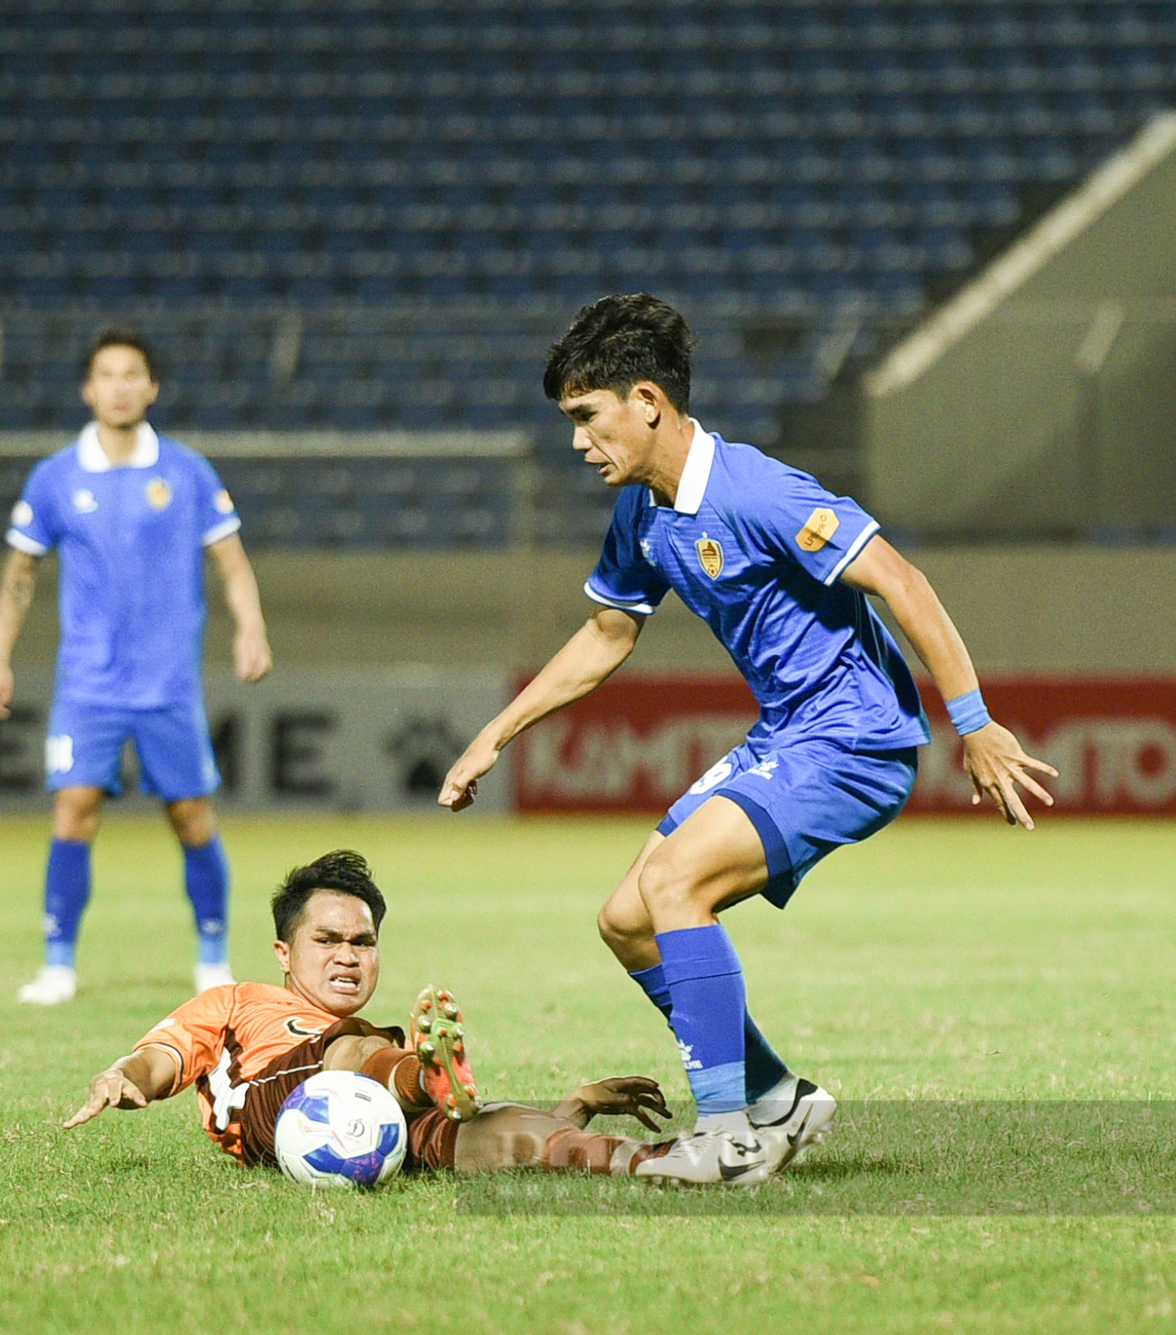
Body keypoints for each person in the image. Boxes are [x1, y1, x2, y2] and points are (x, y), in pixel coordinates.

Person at [439, 294, 1056, 1185]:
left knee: (674, 878)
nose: (576, 441)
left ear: (646, 400)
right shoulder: (643, 512)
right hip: (790, 732)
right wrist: (496, 732)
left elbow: (902, 579)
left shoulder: (758, 492)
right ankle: (777, 1100)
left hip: (854, 738)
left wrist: (975, 724)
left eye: (585, 416)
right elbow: (610, 631)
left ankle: (725, 1136)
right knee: (625, 920)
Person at [0, 329, 273, 1006]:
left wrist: (251, 627)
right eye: (106, 374)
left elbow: (230, 560)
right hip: (89, 683)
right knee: (73, 807)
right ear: (89, 389)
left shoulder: (188, 470)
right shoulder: (56, 476)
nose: (118, 385)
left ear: (152, 387)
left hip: (169, 681)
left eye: (131, 373)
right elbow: (19, 574)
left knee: (192, 814)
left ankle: (212, 955)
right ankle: (58, 963)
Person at [64, 850, 676, 1177]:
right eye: (326, 941)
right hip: (274, 1111)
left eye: (363, 943)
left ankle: (665, 1163)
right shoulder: (238, 1001)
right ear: (284, 951)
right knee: (348, 1050)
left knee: (493, 1131)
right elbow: (160, 1060)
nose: (348, 958)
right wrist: (123, 1075)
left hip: (367, 1117)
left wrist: (577, 1104)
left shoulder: (364, 1048)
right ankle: (424, 1080)